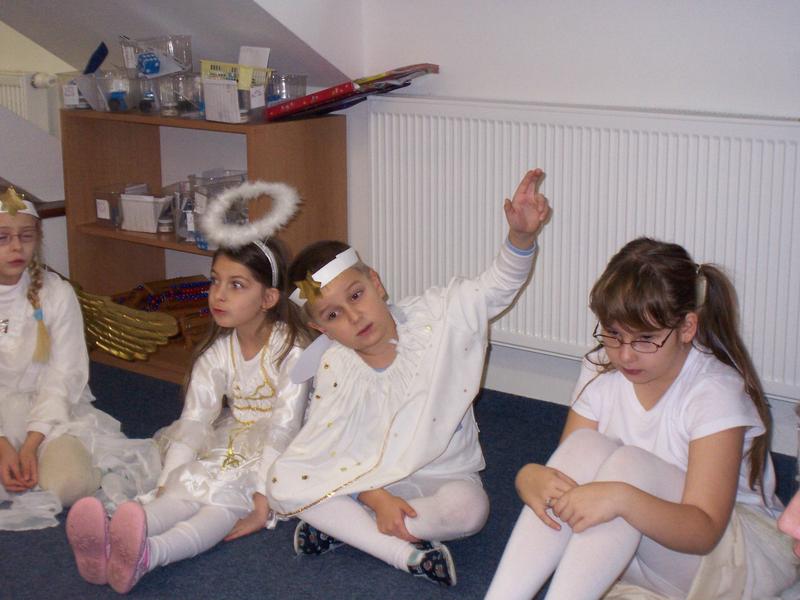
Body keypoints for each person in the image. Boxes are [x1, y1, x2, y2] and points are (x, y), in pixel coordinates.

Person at [266, 169, 551, 587]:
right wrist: (374, 495)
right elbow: (330, 448)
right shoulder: (335, 367)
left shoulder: (436, 318)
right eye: (333, 314)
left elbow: (495, 288)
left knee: (471, 512)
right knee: (283, 481)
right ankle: (405, 553)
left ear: (376, 283)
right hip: (368, 477)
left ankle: (350, 528)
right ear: (321, 330)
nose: (354, 316)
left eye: (356, 295)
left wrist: (520, 238)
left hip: (444, 474)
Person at [486, 237, 799, 599]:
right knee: (588, 448)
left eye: (646, 339)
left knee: (628, 468)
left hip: (730, 558)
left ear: (687, 328)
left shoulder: (714, 392)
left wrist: (623, 499)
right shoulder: (601, 368)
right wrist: (529, 476)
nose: (625, 355)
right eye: (613, 334)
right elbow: (572, 474)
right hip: (642, 551)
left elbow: (704, 531)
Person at [67, 184, 312, 593]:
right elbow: (195, 420)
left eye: (237, 285)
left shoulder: (291, 350)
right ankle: (112, 539)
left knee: (220, 506)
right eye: (215, 281)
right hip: (232, 439)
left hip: (283, 450)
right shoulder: (217, 353)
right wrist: (169, 479)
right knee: (188, 485)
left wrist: (262, 497)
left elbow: (284, 426)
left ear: (269, 297)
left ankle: (151, 555)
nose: (218, 294)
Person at [0, 187, 160, 531]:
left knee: (68, 486)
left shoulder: (56, 294)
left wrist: (30, 444)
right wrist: (3, 445)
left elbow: (64, 375)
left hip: (50, 413)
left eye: (26, 237)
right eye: (3, 238)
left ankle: (66, 462)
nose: (16, 248)